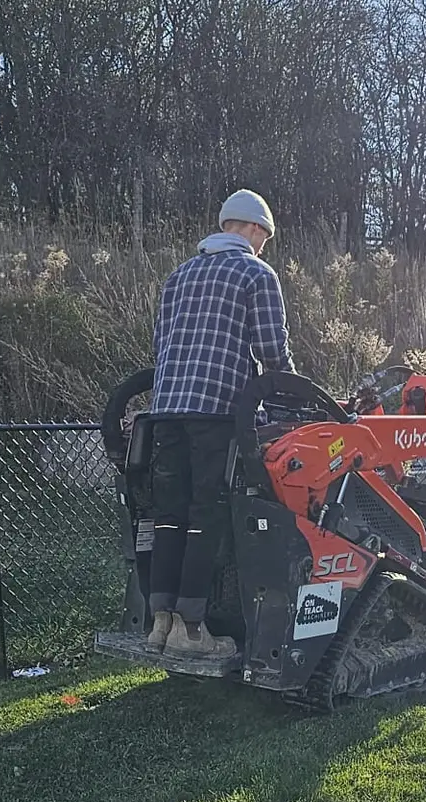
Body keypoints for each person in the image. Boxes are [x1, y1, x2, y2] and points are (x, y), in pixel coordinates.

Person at [145, 188, 294, 660]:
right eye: (264, 237)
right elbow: (273, 351)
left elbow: (161, 343)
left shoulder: (179, 276)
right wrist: (294, 401)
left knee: (170, 514)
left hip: (167, 409)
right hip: (216, 411)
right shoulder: (255, 272)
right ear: (253, 229)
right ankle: (193, 631)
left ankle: (160, 623)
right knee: (206, 515)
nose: (263, 246)